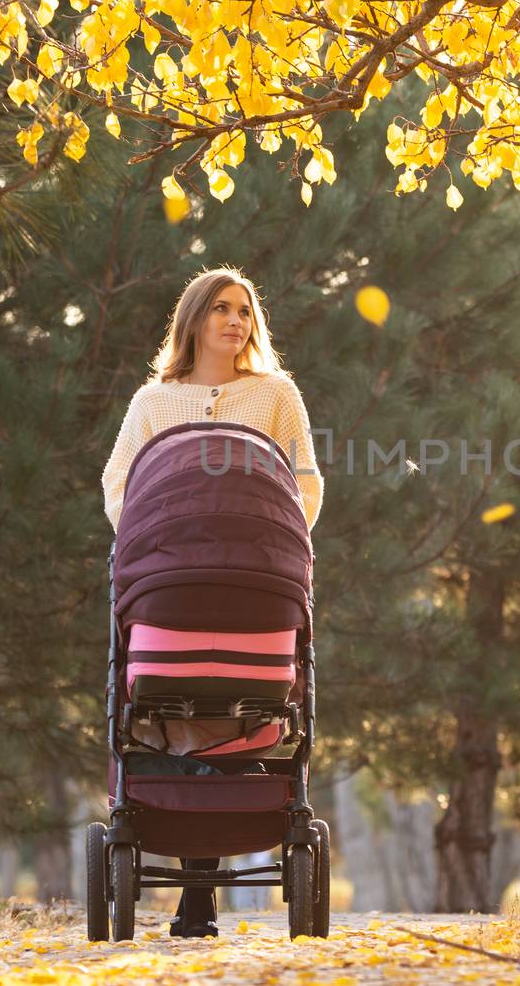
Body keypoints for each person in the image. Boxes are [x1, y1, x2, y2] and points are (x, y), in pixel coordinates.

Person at [101, 266, 323, 939]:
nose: (236, 321)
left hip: (254, 583)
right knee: (175, 715)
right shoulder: (152, 403)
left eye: (245, 311)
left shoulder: (275, 394)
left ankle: (197, 890)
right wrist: (147, 546)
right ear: (194, 318)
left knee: (237, 712)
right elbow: (120, 485)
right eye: (222, 309)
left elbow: (305, 478)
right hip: (172, 585)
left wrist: (282, 546)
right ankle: (195, 886)